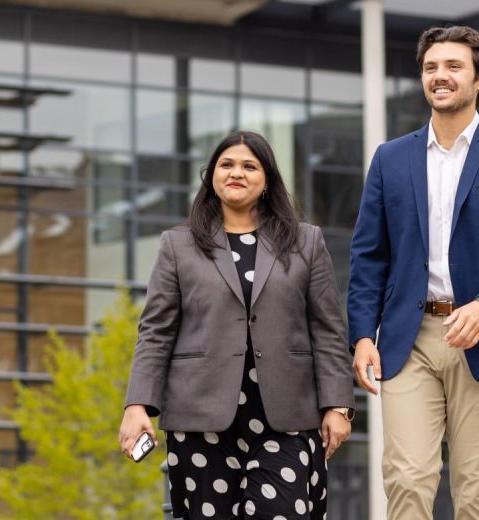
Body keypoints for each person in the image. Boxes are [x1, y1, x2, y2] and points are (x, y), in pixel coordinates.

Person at [347, 25, 479, 519]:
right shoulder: (390, 159)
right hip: (406, 339)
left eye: (453, 67)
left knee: (476, 489)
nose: (440, 76)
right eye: (431, 67)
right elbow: (369, 254)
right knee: (408, 478)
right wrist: (361, 335)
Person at [119, 130, 355, 519]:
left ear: (267, 180)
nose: (237, 173)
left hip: (287, 418)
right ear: (211, 174)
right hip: (200, 419)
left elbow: (327, 329)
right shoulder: (178, 246)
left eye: (249, 165)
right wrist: (137, 405)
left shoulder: (306, 242)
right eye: (227, 164)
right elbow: (156, 333)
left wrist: (339, 405)